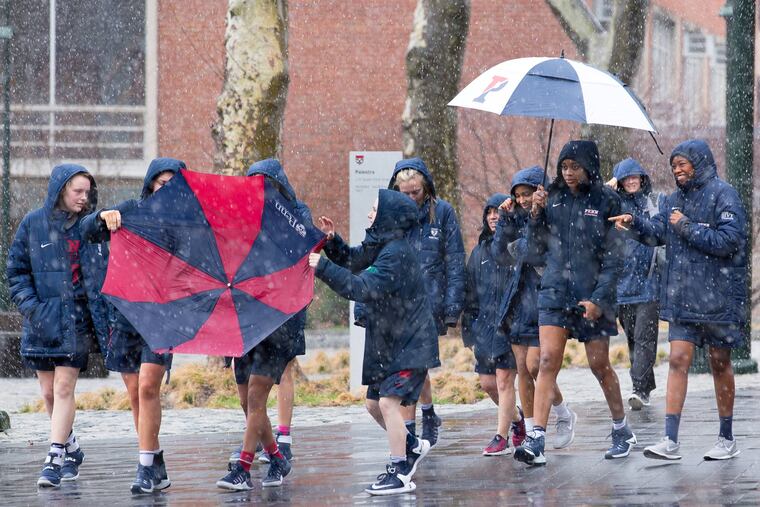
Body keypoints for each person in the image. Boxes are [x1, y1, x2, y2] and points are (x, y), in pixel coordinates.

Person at [609, 140, 746, 461]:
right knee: (678, 360)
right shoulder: (672, 200)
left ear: (700, 163)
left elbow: (729, 240)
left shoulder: (724, 194)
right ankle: (670, 440)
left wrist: (685, 226)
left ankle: (726, 437)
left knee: (720, 363)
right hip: (683, 298)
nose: (677, 170)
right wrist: (632, 222)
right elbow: (658, 231)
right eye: (674, 165)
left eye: (683, 164)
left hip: (718, 300)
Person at [513, 140, 635, 466]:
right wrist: (535, 214)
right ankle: (537, 437)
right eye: (564, 166)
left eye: (574, 167)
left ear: (588, 166)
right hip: (554, 291)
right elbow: (534, 251)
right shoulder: (551, 197)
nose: (568, 173)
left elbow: (614, 260)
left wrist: (598, 299)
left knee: (599, 366)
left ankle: (621, 428)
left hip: (592, 295)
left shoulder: (607, 200)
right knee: (547, 361)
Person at [311, 189, 438, 495]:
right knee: (373, 405)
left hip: (411, 344)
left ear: (388, 218)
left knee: (388, 402)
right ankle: (411, 446)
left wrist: (323, 268)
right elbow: (355, 261)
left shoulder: (396, 253)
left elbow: (362, 286)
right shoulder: (383, 244)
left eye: (374, 210)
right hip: (391, 342)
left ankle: (400, 469)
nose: (370, 215)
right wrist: (332, 243)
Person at [80, 157, 185, 494]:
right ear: (151, 182)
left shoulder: (188, 221)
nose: (166, 187)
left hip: (165, 316)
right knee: (135, 393)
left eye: (174, 182)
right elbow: (87, 231)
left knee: (148, 387)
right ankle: (154, 460)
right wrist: (102, 217)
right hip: (127, 313)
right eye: (161, 181)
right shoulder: (131, 211)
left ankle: (143, 468)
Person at [7, 164, 110, 488]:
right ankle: (72, 446)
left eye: (87, 192)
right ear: (60, 190)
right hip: (43, 320)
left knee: (64, 389)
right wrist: (33, 309)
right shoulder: (33, 224)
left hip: (77, 320)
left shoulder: (90, 226)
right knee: (49, 392)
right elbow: (16, 271)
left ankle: (54, 457)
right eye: (77, 191)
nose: (83, 197)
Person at [217, 159, 312, 490]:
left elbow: (300, 254)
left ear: (278, 184)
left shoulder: (296, 214)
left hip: (279, 318)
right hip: (245, 316)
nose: (260, 189)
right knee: (246, 399)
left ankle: (242, 467)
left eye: (266, 183)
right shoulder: (240, 216)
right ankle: (276, 458)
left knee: (257, 395)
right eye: (254, 183)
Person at [495, 166, 574, 450]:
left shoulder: (552, 212)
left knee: (536, 365)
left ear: (538, 191)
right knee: (522, 370)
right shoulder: (513, 216)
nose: (522, 199)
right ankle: (530, 431)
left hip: (544, 297)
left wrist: (536, 217)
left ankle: (563, 414)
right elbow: (501, 254)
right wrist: (504, 219)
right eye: (518, 195)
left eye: (526, 193)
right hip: (520, 298)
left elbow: (534, 250)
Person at [388, 157, 465, 446]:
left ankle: (412, 427)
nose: (409, 198)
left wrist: (453, 305)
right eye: (404, 193)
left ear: (427, 188)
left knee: (413, 364)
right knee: (412, 364)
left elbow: (455, 259)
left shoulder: (442, 212)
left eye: (415, 192)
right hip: (397, 301)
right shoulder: (390, 214)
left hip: (430, 300)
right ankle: (426, 415)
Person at [462, 192, 525, 456]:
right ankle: (518, 420)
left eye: (497, 213)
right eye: (489, 212)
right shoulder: (479, 252)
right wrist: (470, 329)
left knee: (503, 382)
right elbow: (471, 294)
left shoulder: (516, 246)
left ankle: (501, 436)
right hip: (484, 329)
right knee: (488, 384)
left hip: (510, 327)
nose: (492, 217)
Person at [607, 159, 664, 410]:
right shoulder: (612, 204)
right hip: (622, 287)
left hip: (649, 284)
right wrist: (607, 187)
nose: (631, 181)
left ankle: (638, 388)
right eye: (625, 177)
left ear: (642, 179)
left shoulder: (654, 203)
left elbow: (657, 233)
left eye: (635, 177)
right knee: (632, 339)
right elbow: (590, 203)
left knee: (644, 338)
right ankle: (645, 388)